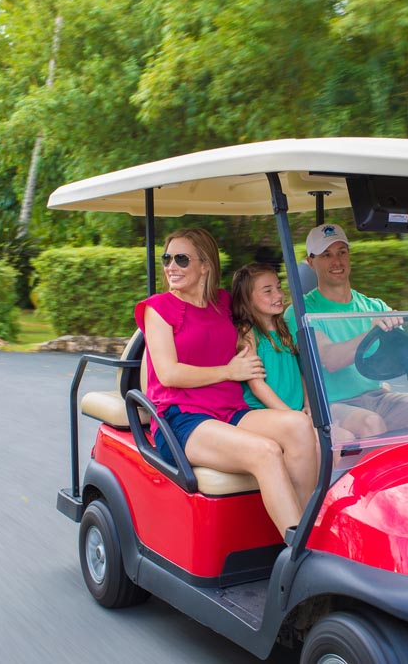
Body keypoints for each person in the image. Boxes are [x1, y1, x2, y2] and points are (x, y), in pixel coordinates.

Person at [136, 228, 318, 538]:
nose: (171, 267)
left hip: (230, 410)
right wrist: (229, 371)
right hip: (182, 418)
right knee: (266, 451)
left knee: (301, 425)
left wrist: (296, 294)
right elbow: (168, 374)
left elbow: (255, 300)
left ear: (205, 265)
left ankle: (305, 534)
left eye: (181, 259)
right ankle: (300, 551)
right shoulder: (159, 309)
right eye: (167, 259)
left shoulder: (221, 303)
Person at [283, 223, 408, 435]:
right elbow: (329, 360)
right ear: (311, 262)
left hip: (378, 397)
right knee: (371, 423)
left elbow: (404, 360)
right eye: (326, 255)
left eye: (342, 252)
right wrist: (369, 331)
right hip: (331, 404)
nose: (337, 261)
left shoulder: (374, 306)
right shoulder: (301, 311)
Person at [230, 263, 364, 441]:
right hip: (269, 412)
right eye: (268, 291)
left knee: (345, 438)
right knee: (339, 440)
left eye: (278, 287)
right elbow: (257, 386)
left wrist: (308, 404)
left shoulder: (283, 328)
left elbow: (299, 372)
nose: (278, 295)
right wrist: (292, 416)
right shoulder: (248, 333)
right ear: (247, 298)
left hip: (296, 411)